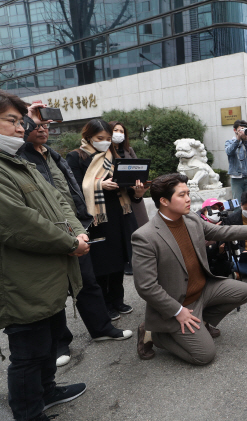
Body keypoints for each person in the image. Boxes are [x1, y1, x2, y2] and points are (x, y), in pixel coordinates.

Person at [20, 104, 132, 368]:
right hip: (43, 232)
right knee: (55, 291)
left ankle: (101, 328)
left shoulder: (51, 155)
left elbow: (69, 193)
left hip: (73, 226)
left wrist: (80, 225)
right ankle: (60, 342)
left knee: (87, 282)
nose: (43, 129)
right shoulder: (18, 155)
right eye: (35, 125)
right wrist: (27, 115)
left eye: (46, 125)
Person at [0, 90, 88, 421]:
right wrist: (70, 244)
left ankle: (47, 389)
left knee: (50, 338)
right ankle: (28, 411)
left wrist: (78, 230)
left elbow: (58, 198)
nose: (20, 128)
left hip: (48, 273)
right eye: (12, 120)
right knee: (28, 352)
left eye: (22, 120)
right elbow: (21, 224)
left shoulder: (18, 161)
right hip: (21, 279)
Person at [133, 174, 247, 364]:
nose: (188, 199)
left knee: (244, 291)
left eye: (188, 193)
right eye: (182, 195)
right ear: (164, 201)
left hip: (203, 290)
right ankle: (156, 334)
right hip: (179, 303)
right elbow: (146, 286)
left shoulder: (190, 217)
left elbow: (219, 232)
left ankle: (201, 321)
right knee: (204, 355)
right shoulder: (145, 236)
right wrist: (177, 311)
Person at [66, 119, 146, 321]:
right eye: (100, 138)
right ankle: (104, 304)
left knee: (120, 259)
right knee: (102, 263)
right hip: (97, 218)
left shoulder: (114, 155)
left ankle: (117, 299)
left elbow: (126, 186)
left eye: (108, 138)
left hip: (121, 214)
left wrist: (137, 191)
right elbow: (74, 187)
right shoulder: (76, 156)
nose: (105, 142)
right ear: (88, 137)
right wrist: (100, 184)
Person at [109, 120, 149, 275]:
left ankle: (139, 260)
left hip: (133, 194)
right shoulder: (105, 152)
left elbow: (139, 168)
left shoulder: (129, 150)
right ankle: (127, 262)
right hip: (117, 195)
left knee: (138, 229)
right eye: (115, 130)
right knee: (123, 231)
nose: (118, 133)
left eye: (121, 131)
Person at [200, 198, 235, 279]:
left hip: (220, 267)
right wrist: (213, 231)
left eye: (218, 209)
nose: (217, 211)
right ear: (204, 211)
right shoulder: (198, 225)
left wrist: (220, 253)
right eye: (213, 208)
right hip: (204, 267)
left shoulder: (224, 223)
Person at [225, 119, 247, 200]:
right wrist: (237, 140)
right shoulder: (229, 142)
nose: (243, 131)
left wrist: (245, 141)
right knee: (237, 203)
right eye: (241, 129)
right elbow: (229, 152)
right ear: (235, 130)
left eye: (244, 129)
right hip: (236, 177)